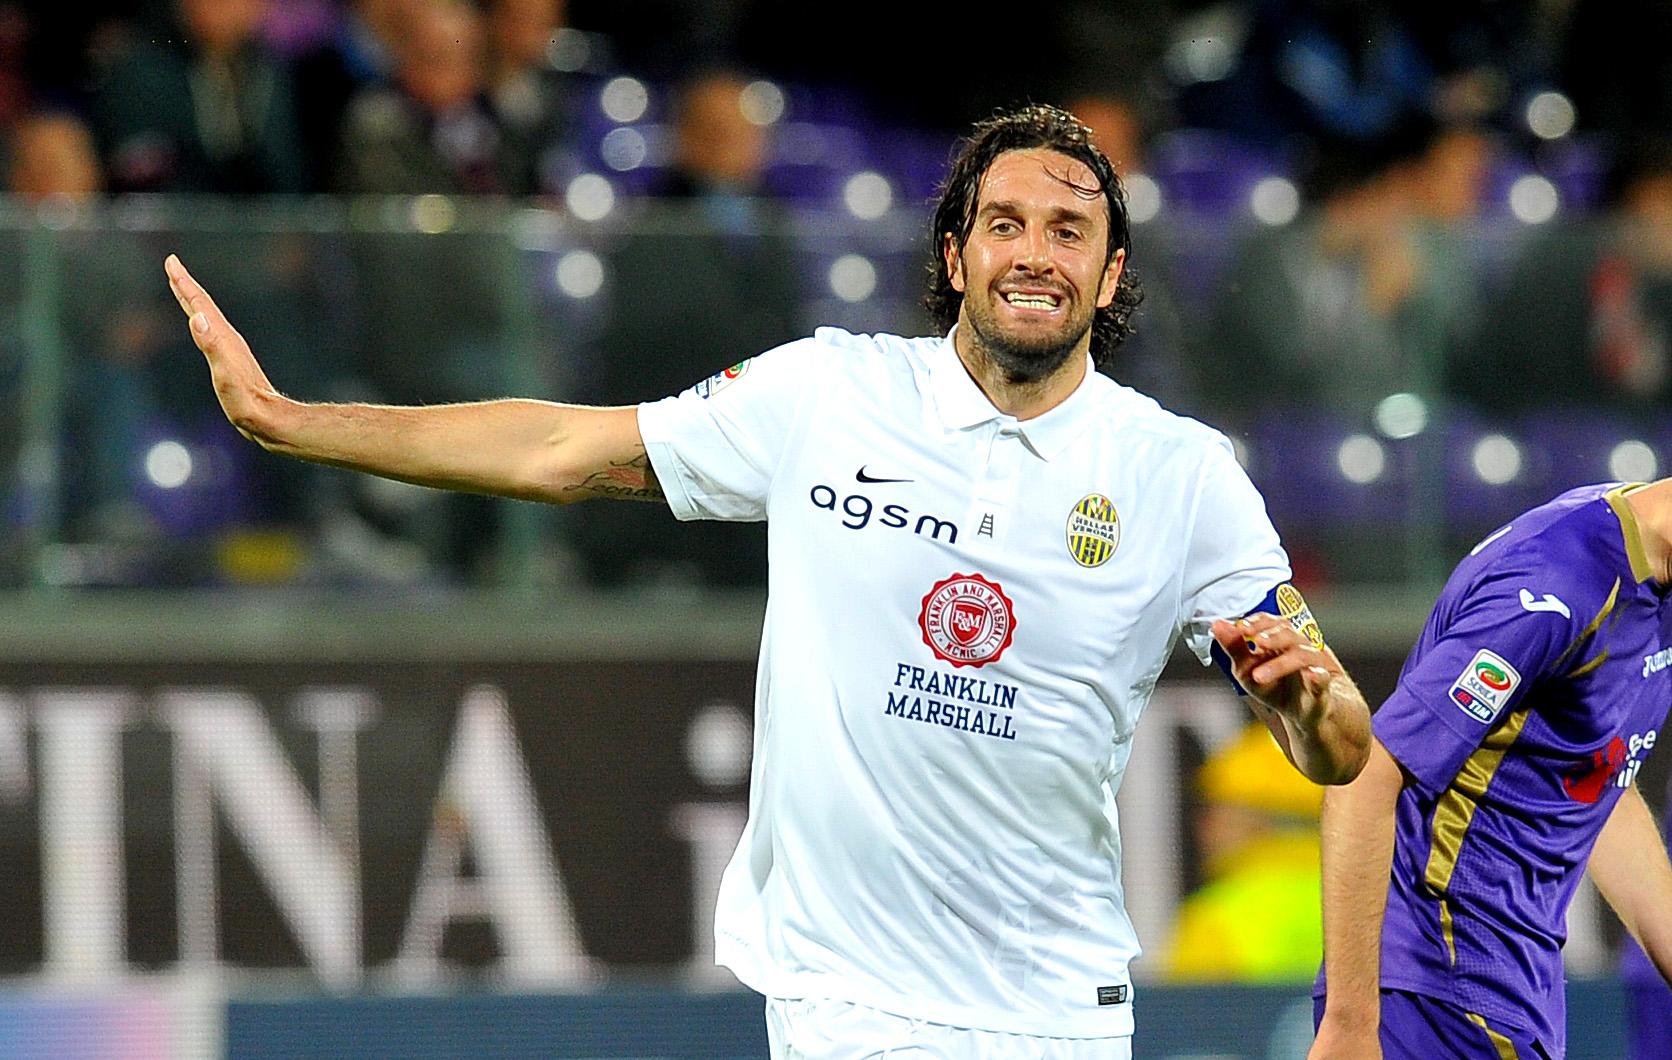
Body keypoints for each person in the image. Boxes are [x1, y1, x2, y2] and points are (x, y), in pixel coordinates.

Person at [165, 104, 1371, 1055]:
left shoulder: (1179, 474)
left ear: (1108, 278)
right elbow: (558, 449)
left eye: (1069, 232)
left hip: (1061, 1012)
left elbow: (1338, 744)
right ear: (954, 254)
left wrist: (1309, 709)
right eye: (1005, 222)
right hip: (846, 1003)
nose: (1034, 253)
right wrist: (292, 422)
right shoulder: (829, 394)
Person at [1310, 481, 1672, 1058]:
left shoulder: (1651, 577)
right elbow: (1370, 774)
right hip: (1436, 987)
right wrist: (1350, 1025)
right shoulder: (1558, 582)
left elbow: (1594, 776)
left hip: (1510, 996)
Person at [1161, 721, 1325, 984]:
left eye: (1216, 812)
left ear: (1258, 824)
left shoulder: (1215, 919)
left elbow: (1184, 1010)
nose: (1203, 828)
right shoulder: (1377, 903)